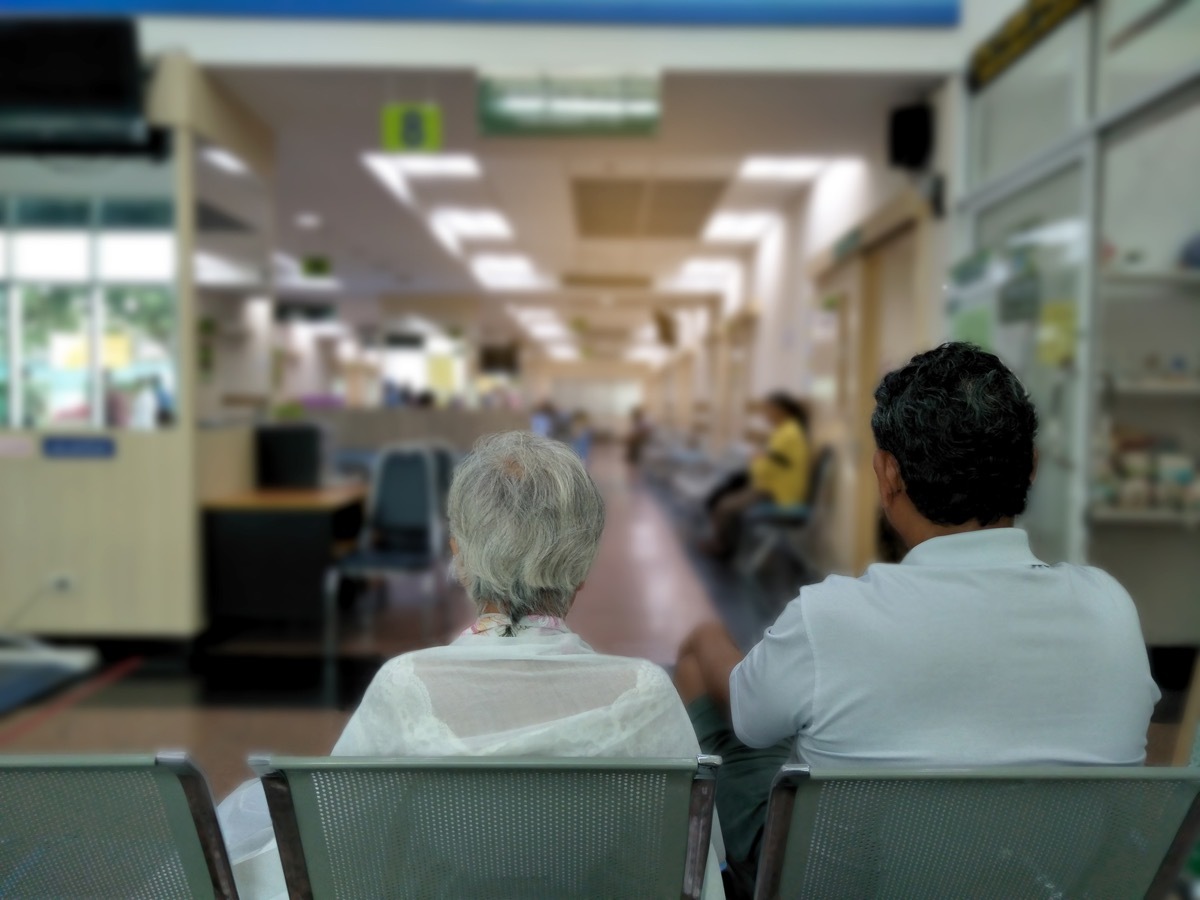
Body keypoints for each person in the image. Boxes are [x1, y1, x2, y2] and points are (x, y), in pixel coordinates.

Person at [675, 343, 1159, 894]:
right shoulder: (1110, 607)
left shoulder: (830, 617)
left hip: (845, 883)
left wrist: (709, 639)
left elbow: (749, 722)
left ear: (888, 477)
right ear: (1031, 469)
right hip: (1044, 879)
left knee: (705, 657)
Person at [219, 431, 726, 899]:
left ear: (459, 557)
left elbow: (340, 843)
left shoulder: (405, 686)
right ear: (581, 570)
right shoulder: (646, 695)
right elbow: (692, 863)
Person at [701, 392, 810, 558]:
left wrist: (756, 459)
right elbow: (772, 462)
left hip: (777, 493)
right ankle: (724, 543)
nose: (765, 415)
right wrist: (759, 459)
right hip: (772, 486)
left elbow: (766, 468)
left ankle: (723, 547)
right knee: (724, 497)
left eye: (768, 410)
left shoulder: (788, 434)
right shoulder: (787, 431)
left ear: (781, 411)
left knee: (725, 507)